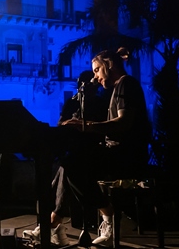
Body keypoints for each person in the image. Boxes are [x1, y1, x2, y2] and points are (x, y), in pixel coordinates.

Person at [25, 47, 150, 246]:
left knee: (72, 165)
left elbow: (124, 123)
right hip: (118, 152)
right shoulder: (119, 87)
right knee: (69, 163)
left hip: (126, 155)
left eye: (97, 70)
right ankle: (55, 223)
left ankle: (111, 218)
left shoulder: (126, 83)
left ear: (109, 64)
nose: (96, 77)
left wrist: (86, 126)